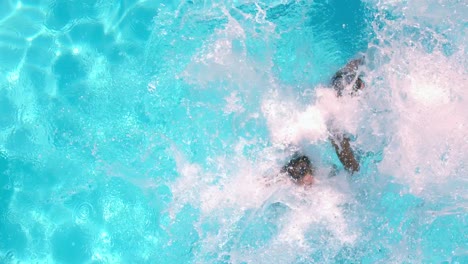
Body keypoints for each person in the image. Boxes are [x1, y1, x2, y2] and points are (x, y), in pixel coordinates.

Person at [283, 57, 364, 184]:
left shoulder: (332, 125)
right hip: (332, 93)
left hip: (337, 97)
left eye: (308, 183)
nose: (309, 187)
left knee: (352, 167)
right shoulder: (301, 136)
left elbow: (349, 160)